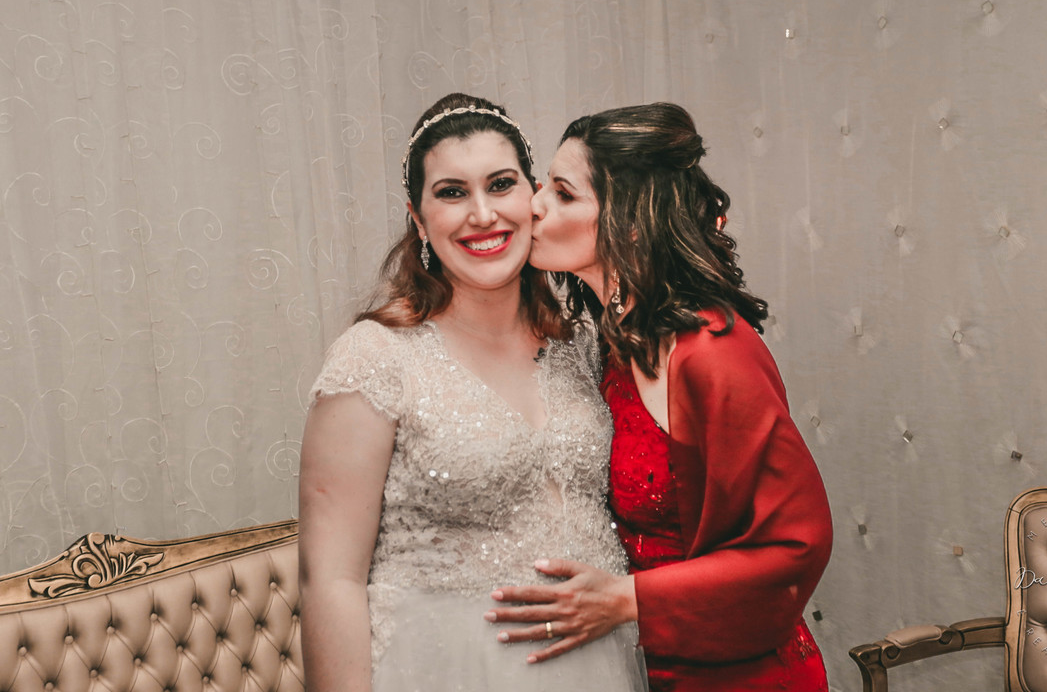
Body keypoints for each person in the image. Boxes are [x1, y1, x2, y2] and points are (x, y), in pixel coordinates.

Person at [298, 93, 646, 692]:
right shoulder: (375, 357)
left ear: (534, 195)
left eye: (501, 184)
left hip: (604, 666)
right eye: (452, 192)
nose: (482, 214)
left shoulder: (584, 342)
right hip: (445, 669)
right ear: (418, 217)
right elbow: (330, 581)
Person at [485, 102, 834, 690]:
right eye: (543, 185)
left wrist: (626, 599)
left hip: (740, 674)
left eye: (564, 194)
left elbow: (796, 544)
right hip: (646, 664)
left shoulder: (713, 351)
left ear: (629, 223)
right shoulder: (611, 340)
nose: (534, 205)